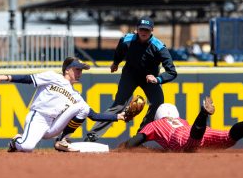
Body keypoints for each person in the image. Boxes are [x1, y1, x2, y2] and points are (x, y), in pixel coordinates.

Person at [55, 16, 177, 147]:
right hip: (130, 75)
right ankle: (93, 135)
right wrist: (116, 63)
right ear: (137, 29)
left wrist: (158, 79)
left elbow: (172, 72)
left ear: (152, 30)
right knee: (119, 105)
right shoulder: (127, 39)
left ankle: (139, 137)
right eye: (141, 29)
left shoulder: (158, 47)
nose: (144, 32)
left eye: (147, 30)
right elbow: (120, 51)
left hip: (150, 78)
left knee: (158, 104)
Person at [0, 57, 125, 152]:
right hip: (38, 118)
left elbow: (94, 116)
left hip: (53, 125)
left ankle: (62, 141)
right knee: (27, 147)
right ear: (67, 70)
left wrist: (118, 116)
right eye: (77, 69)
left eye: (81, 70)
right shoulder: (53, 77)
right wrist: (4, 77)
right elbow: (28, 79)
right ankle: (16, 141)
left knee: (82, 107)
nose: (80, 73)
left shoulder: (76, 95)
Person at [124, 97, 243, 152]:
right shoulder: (181, 121)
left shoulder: (155, 124)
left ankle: (203, 113)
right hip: (191, 129)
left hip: (181, 137)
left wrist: (125, 146)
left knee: (192, 141)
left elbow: (133, 143)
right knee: (228, 138)